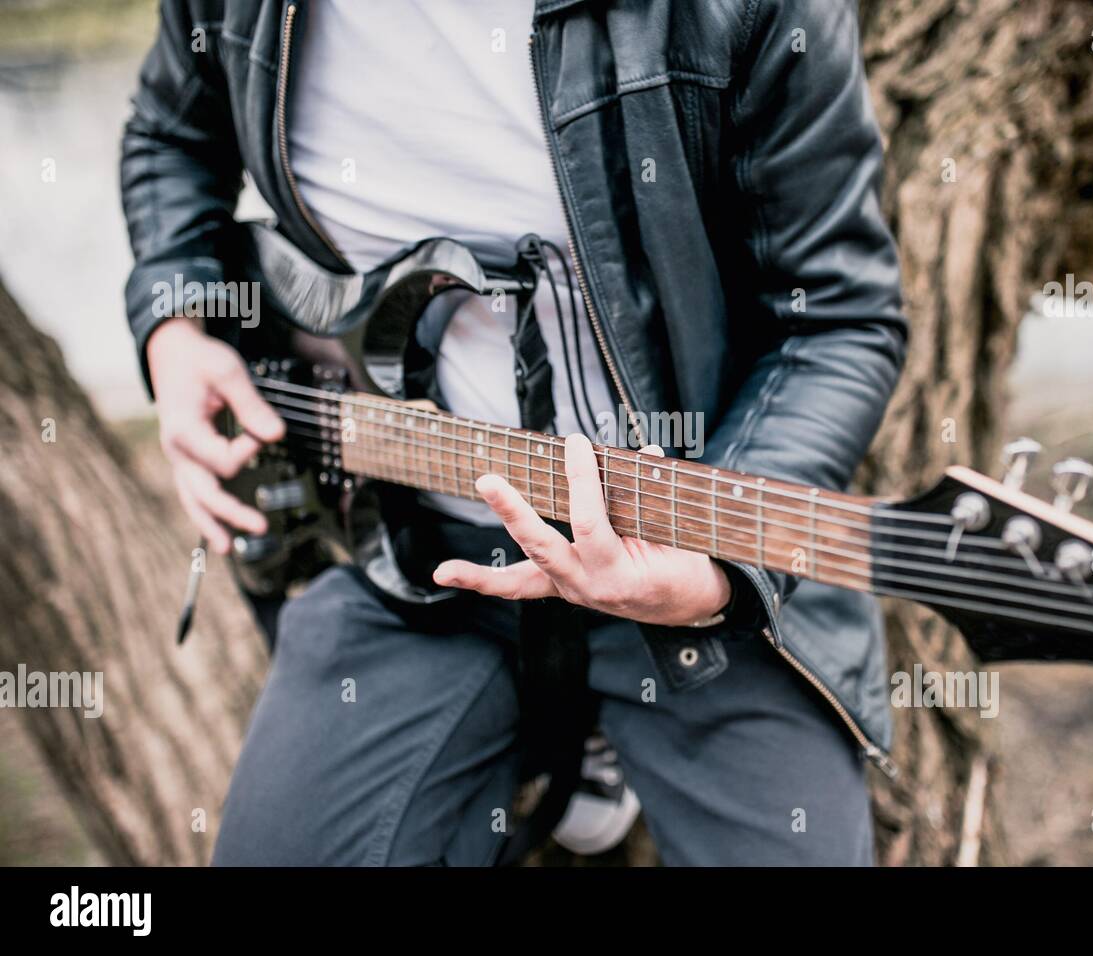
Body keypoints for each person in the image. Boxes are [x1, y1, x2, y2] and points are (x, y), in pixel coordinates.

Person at [121, 0, 907, 866]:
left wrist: (723, 572)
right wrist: (178, 327)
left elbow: (837, 319)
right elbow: (170, 132)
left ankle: (590, 718)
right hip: (401, 553)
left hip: (701, 546)